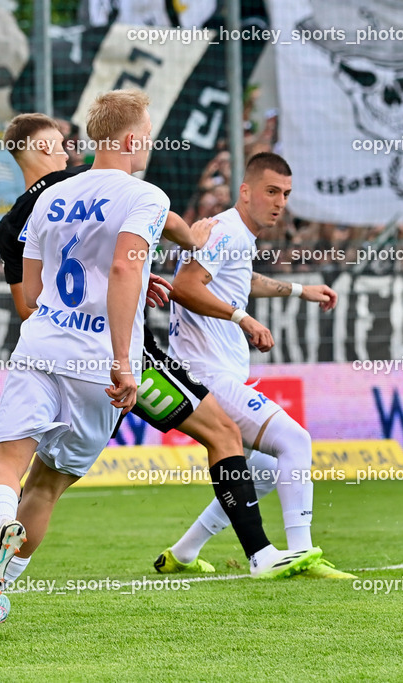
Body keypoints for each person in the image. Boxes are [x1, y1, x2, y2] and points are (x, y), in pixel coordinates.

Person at [0, 111, 320, 583]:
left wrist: (111, 286)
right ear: (44, 149)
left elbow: (30, 300)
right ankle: (261, 553)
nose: (67, 151)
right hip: (119, 360)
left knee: (13, 467)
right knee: (222, 434)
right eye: (60, 144)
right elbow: (138, 250)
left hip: (45, 346)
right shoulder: (103, 183)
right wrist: (186, 243)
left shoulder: (19, 220)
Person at [161, 152, 352, 579]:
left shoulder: (237, 235)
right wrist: (242, 318)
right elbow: (185, 288)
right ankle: (302, 553)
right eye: (271, 191)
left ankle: (184, 553)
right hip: (205, 373)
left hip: (211, 371)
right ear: (245, 191)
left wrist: (300, 290)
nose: (280, 202)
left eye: (286, 194)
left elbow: (239, 280)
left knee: (261, 472)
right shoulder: (226, 230)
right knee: (295, 441)